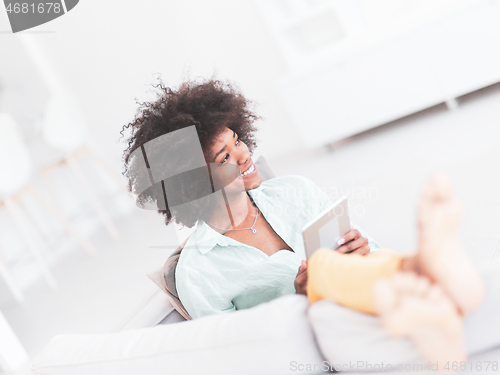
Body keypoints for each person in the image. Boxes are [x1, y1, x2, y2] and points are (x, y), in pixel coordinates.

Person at [121, 78, 487, 370]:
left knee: (361, 262)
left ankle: (424, 284)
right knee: (323, 273)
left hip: (363, 305)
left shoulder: (294, 191)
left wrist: (360, 249)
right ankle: (425, 269)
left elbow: (370, 252)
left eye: (238, 140)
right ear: (195, 182)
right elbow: (238, 355)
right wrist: (301, 298)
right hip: (317, 349)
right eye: (225, 156)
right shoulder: (199, 271)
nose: (246, 154)